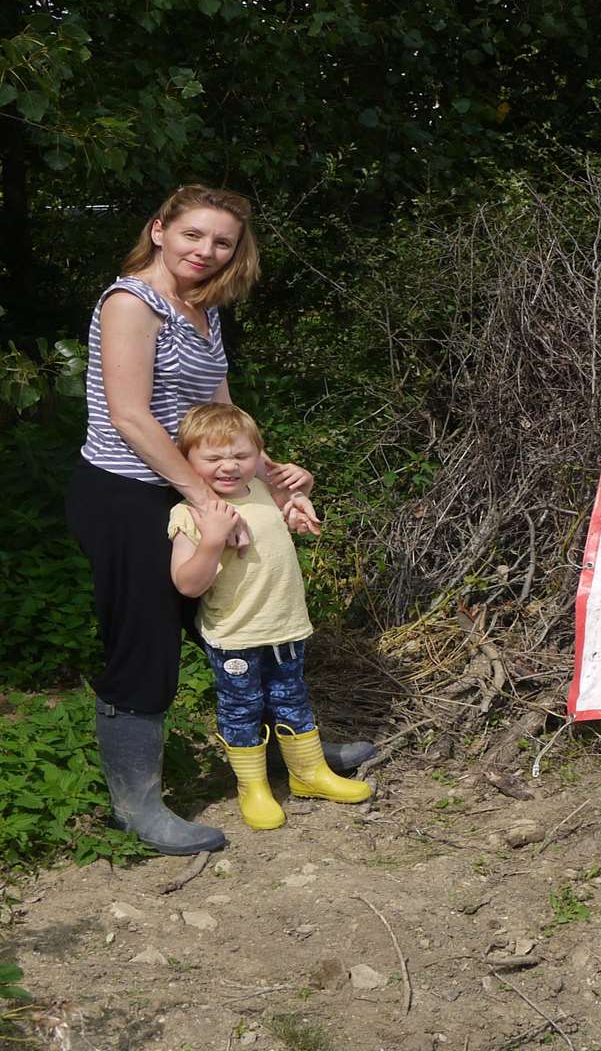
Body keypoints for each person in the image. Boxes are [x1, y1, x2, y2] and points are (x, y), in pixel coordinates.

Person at [64, 185, 370, 855]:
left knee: (247, 623)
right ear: (159, 230)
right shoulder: (130, 303)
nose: (206, 251)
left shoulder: (201, 309)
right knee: (144, 644)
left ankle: (299, 756)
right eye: (193, 235)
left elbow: (219, 410)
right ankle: (136, 805)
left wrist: (272, 475)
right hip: (128, 493)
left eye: (222, 241)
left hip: (191, 487)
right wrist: (202, 499)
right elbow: (130, 416)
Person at [168, 403, 372, 830]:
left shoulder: (260, 491)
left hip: (285, 626)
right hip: (235, 635)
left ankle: (309, 774)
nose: (229, 466)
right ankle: (253, 788)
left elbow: (292, 504)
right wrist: (212, 541)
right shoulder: (190, 514)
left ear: (257, 455)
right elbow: (187, 585)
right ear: (186, 461)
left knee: (292, 698)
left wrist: (300, 500)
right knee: (241, 709)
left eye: (241, 457)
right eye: (213, 459)